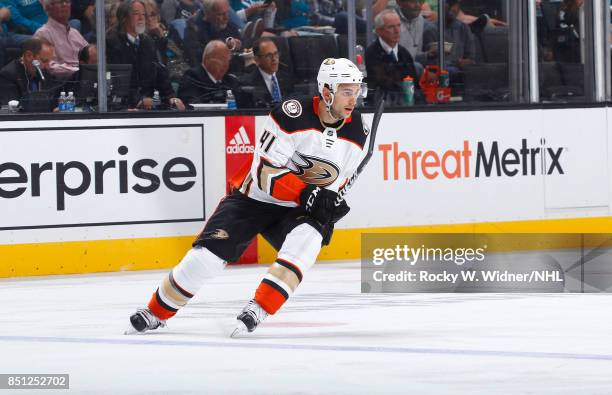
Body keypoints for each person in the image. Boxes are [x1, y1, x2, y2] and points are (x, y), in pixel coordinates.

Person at [127, 57, 368, 336]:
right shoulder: (290, 114)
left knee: (308, 240)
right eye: (347, 91)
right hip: (253, 198)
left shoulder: (357, 131)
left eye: (357, 90)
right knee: (205, 258)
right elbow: (266, 173)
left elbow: (339, 180)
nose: (354, 98)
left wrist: (331, 200)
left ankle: (260, 307)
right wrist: (308, 193)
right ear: (327, 92)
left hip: (296, 209)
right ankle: (157, 311)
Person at [106, 0, 185, 111]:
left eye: (143, 14)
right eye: (136, 14)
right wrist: (138, 100)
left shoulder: (148, 42)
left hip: (148, 105)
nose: (141, 18)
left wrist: (171, 98)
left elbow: (160, 73)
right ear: (124, 18)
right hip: (124, 107)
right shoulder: (112, 44)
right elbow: (115, 82)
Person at [366, 9, 417, 104]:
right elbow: (382, 83)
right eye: (391, 27)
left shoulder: (404, 53)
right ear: (379, 31)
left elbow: (414, 83)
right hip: (384, 104)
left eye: (398, 25)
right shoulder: (372, 53)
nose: (397, 31)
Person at [34, 0, 88, 77]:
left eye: (67, 2)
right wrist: (78, 70)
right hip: (63, 83)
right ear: (48, 8)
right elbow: (48, 65)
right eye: (60, 2)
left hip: (85, 78)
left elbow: (89, 55)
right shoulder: (43, 33)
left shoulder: (74, 33)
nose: (65, 5)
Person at [177, 39, 238, 105]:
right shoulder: (192, 77)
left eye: (227, 60)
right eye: (221, 59)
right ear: (207, 59)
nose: (226, 64)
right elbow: (192, 106)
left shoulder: (230, 81)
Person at [0, 37, 56, 108]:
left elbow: (52, 101)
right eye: (44, 61)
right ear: (29, 56)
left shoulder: (44, 73)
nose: (48, 66)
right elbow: (11, 108)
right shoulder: (8, 75)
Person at [183, 0, 242, 67]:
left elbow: (241, 43)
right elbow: (197, 59)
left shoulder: (225, 22)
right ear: (207, 13)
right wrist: (224, 46)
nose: (226, 17)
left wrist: (238, 45)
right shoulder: (193, 29)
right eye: (220, 14)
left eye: (227, 12)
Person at [237, 37, 293, 108]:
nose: (274, 59)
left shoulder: (288, 79)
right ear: (257, 60)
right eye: (269, 55)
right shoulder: (246, 84)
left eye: (276, 54)